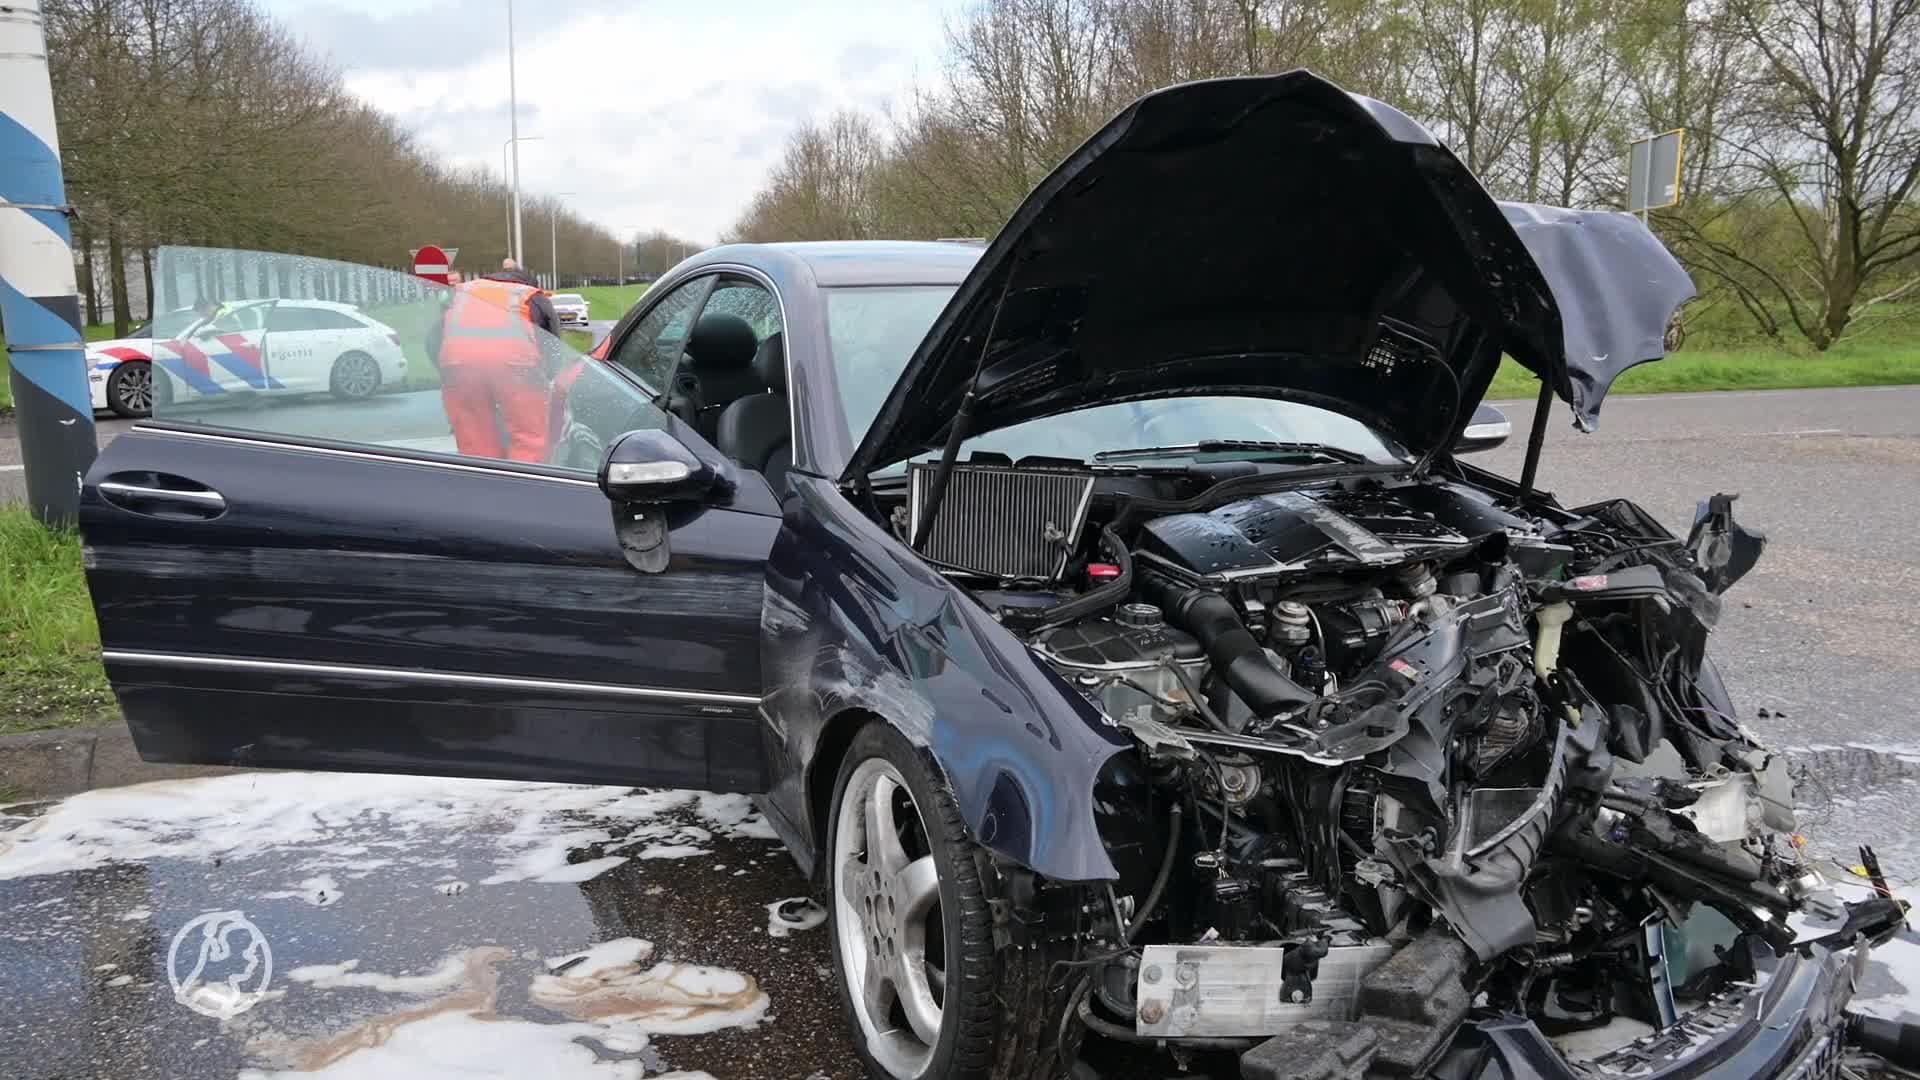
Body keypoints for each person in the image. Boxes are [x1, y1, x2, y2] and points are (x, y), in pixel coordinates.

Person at [426, 257, 561, 462]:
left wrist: (448, 374)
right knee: (529, 436)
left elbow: (433, 340)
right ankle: (523, 484)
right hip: (516, 367)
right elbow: (552, 347)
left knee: (474, 438)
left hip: (459, 366)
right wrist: (544, 379)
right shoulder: (532, 296)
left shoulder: (463, 293)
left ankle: (483, 484)